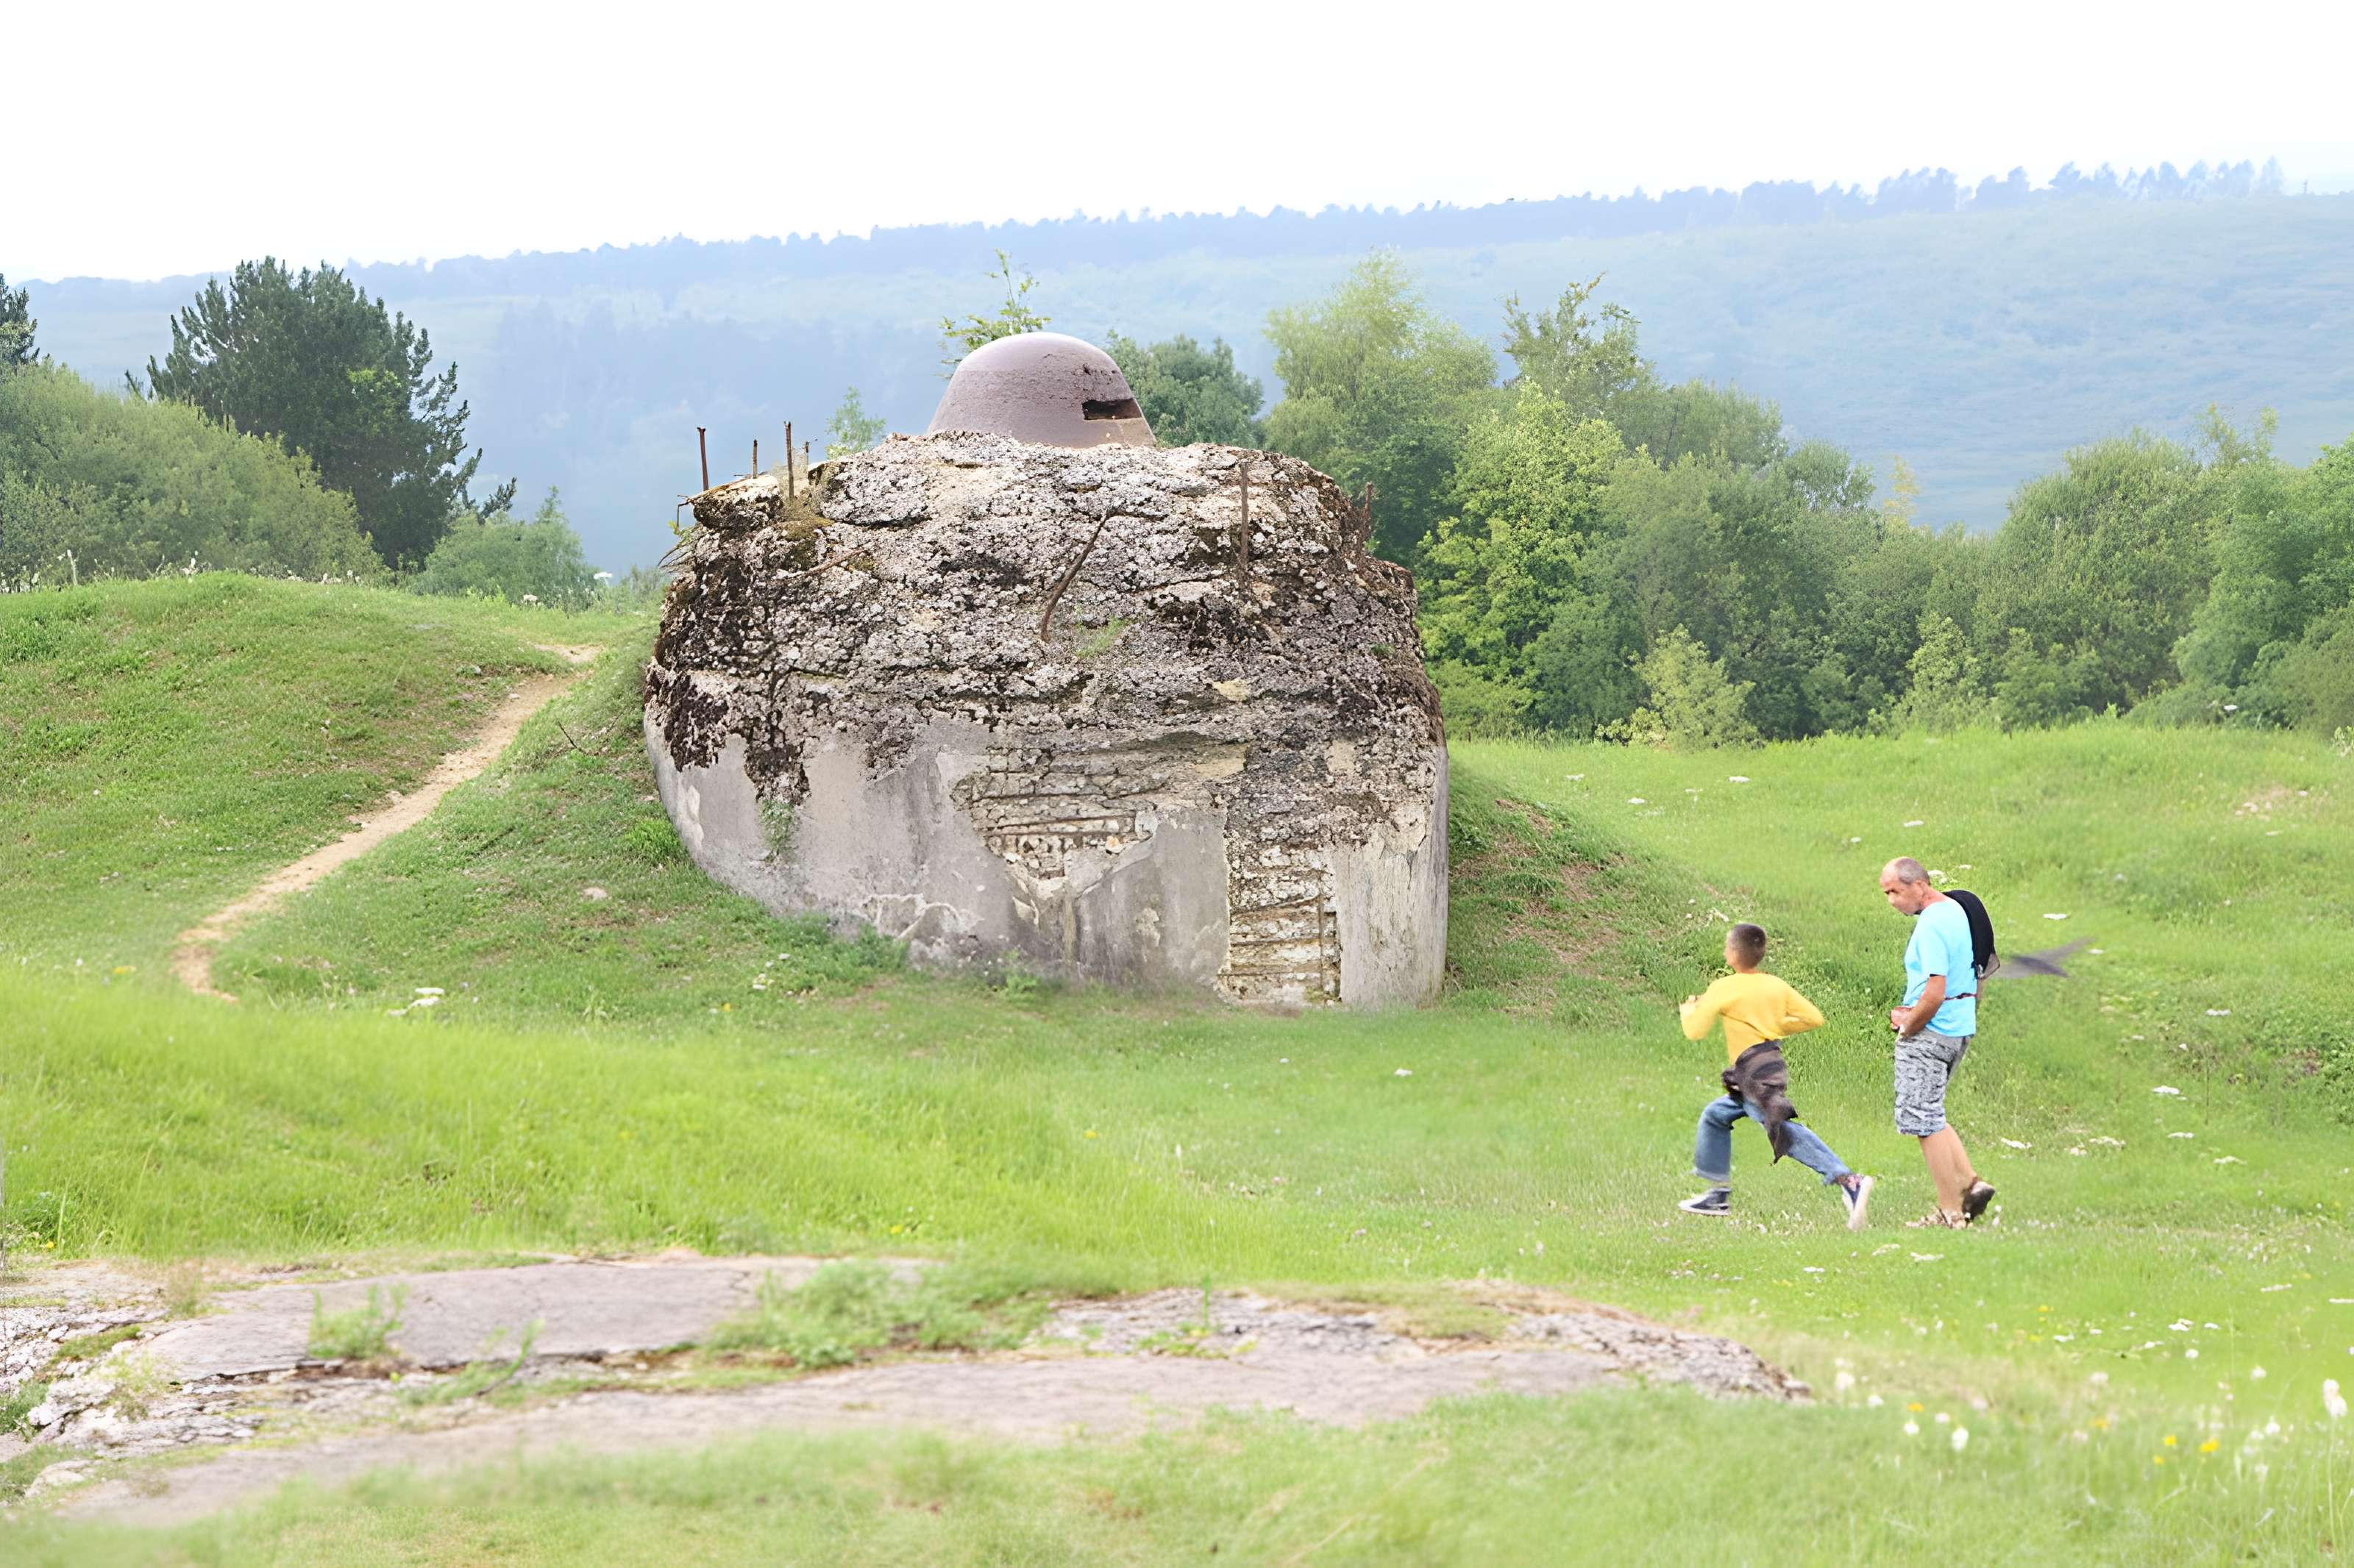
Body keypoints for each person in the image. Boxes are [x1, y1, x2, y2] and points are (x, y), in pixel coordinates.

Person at [1677, 922, 1874, 1229]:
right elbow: (1813, 1018)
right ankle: (1717, 1195)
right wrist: (1773, 1028)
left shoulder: (1723, 988)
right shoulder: (1774, 985)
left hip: (1751, 1072)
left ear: (1731, 953)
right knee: (1716, 1115)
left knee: (1778, 1128)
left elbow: (1695, 1031)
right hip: (1768, 1065)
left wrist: (1688, 1010)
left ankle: (1848, 1179)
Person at [1877, 857, 1996, 1227]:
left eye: (1895, 892)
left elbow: (1933, 991)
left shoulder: (1930, 926)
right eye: (1886, 894)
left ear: (1919, 885)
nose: (1892, 901)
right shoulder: (1956, 910)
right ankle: (1971, 1184)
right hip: (1959, 1026)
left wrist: (1909, 1026)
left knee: (1923, 1122)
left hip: (1931, 1030)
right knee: (1932, 1113)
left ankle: (1949, 1211)